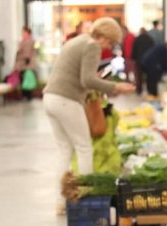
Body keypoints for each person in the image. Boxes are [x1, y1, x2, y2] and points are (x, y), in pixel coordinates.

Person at [43, 17, 135, 214]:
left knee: (64, 151)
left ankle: (61, 202)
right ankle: (85, 198)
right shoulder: (92, 46)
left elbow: (80, 75)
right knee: (84, 147)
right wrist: (115, 86)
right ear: (102, 36)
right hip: (66, 100)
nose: (108, 47)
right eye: (109, 42)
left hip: (50, 98)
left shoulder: (78, 40)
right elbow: (87, 80)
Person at [14, 26, 37, 100]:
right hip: (22, 62)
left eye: (24, 32)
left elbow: (27, 53)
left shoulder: (29, 41)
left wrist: (25, 61)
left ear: (28, 33)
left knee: (26, 79)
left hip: (26, 63)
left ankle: (27, 95)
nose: (23, 34)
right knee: (23, 78)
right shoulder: (23, 41)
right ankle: (25, 95)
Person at [131, 28, 155, 95]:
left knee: (139, 77)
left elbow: (134, 49)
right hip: (149, 61)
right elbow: (153, 50)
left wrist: (133, 58)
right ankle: (150, 90)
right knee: (149, 76)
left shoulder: (137, 39)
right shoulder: (150, 39)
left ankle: (139, 90)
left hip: (139, 60)